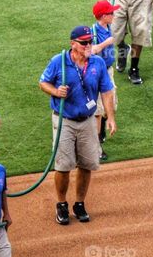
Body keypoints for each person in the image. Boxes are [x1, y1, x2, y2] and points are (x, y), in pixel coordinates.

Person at [38, 26, 116, 225]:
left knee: (87, 164)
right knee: (63, 166)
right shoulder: (59, 62)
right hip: (64, 120)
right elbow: (43, 83)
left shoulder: (97, 63)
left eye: (90, 41)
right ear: (73, 44)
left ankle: (79, 203)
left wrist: (110, 117)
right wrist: (56, 92)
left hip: (88, 121)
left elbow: (106, 91)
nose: (88, 45)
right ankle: (62, 204)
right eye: (84, 43)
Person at [90, 0, 119, 162]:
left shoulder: (109, 27)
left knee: (111, 106)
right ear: (103, 16)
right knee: (99, 111)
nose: (114, 14)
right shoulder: (93, 32)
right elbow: (91, 51)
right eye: (111, 13)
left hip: (108, 71)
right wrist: (106, 43)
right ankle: (96, 148)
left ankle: (99, 134)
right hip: (97, 74)